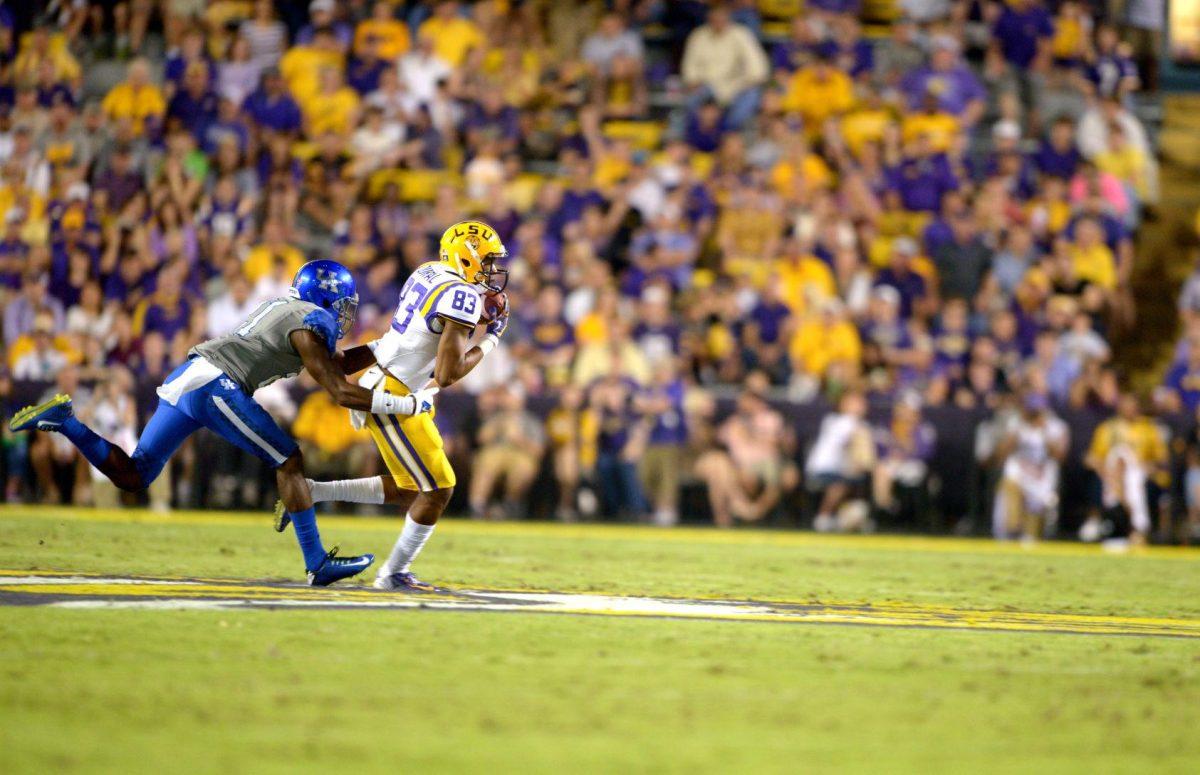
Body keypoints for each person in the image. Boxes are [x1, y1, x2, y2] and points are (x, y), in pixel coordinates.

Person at [9, 260, 437, 586]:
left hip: (189, 376)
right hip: (218, 384)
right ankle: (317, 563)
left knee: (135, 475)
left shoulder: (289, 312)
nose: (343, 316)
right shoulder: (312, 320)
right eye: (342, 306)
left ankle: (66, 423)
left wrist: (383, 348)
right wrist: (407, 405)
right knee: (289, 459)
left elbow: (335, 364)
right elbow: (339, 389)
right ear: (325, 300)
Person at [283, 222, 511, 591]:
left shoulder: (429, 272)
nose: (492, 270)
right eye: (486, 261)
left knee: (412, 489)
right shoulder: (462, 296)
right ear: (466, 257)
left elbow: (410, 338)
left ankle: (314, 491)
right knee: (439, 489)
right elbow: (447, 373)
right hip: (399, 392)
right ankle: (393, 574)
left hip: (389, 376)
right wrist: (493, 337)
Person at [993, 393, 1069, 542]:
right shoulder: (1016, 423)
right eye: (1031, 411)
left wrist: (1044, 431)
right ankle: (1011, 530)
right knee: (1008, 520)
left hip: (1042, 482)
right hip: (1019, 478)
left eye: (1037, 411)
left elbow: (1061, 457)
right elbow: (1000, 455)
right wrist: (1017, 431)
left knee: (1033, 536)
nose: (1034, 415)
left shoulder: (1056, 426)